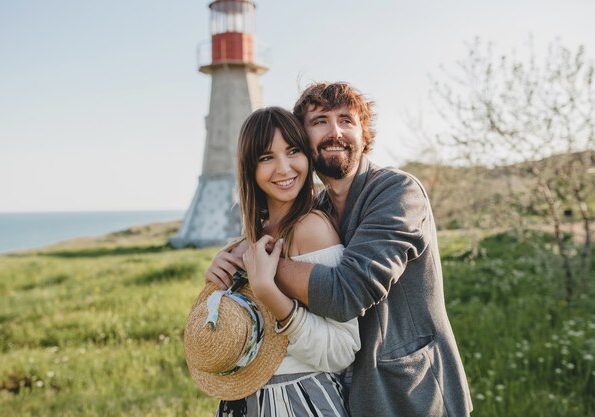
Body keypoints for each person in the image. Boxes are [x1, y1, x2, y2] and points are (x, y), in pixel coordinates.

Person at [207, 83, 473, 416]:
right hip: (343, 393)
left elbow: (348, 291)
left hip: (409, 393)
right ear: (304, 138)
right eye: (320, 121)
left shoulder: (397, 192)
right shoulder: (315, 210)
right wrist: (232, 264)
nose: (335, 131)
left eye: (346, 120)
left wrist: (256, 268)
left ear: (365, 134)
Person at [202, 106, 361, 417]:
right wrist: (216, 290)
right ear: (250, 168)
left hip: (300, 400)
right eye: (266, 157)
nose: (284, 168)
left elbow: (343, 350)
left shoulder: (311, 229)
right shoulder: (251, 238)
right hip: (245, 400)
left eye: (293, 151)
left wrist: (269, 293)